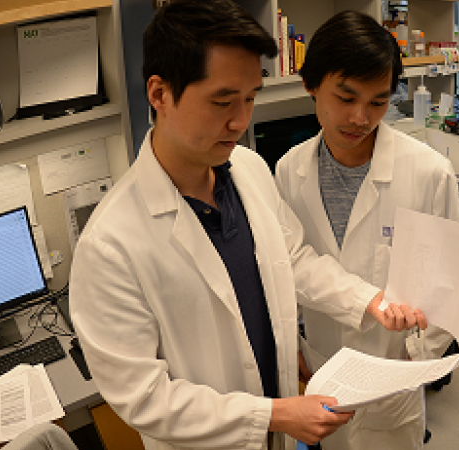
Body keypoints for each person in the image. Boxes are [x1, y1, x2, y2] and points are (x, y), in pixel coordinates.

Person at [68, 2, 428, 449]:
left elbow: (293, 258)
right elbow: (144, 399)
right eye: (222, 102)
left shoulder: (249, 169)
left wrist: (369, 299)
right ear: (159, 94)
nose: (241, 122)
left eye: (250, 98)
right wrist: (274, 414)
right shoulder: (110, 244)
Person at [273, 11, 459, 450]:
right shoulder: (288, 170)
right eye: (345, 97)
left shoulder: (430, 173)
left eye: (378, 102)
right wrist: (294, 347)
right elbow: (289, 267)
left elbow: (452, 287)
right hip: (322, 368)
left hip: (393, 379)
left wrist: (412, 360)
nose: (360, 117)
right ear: (311, 84)